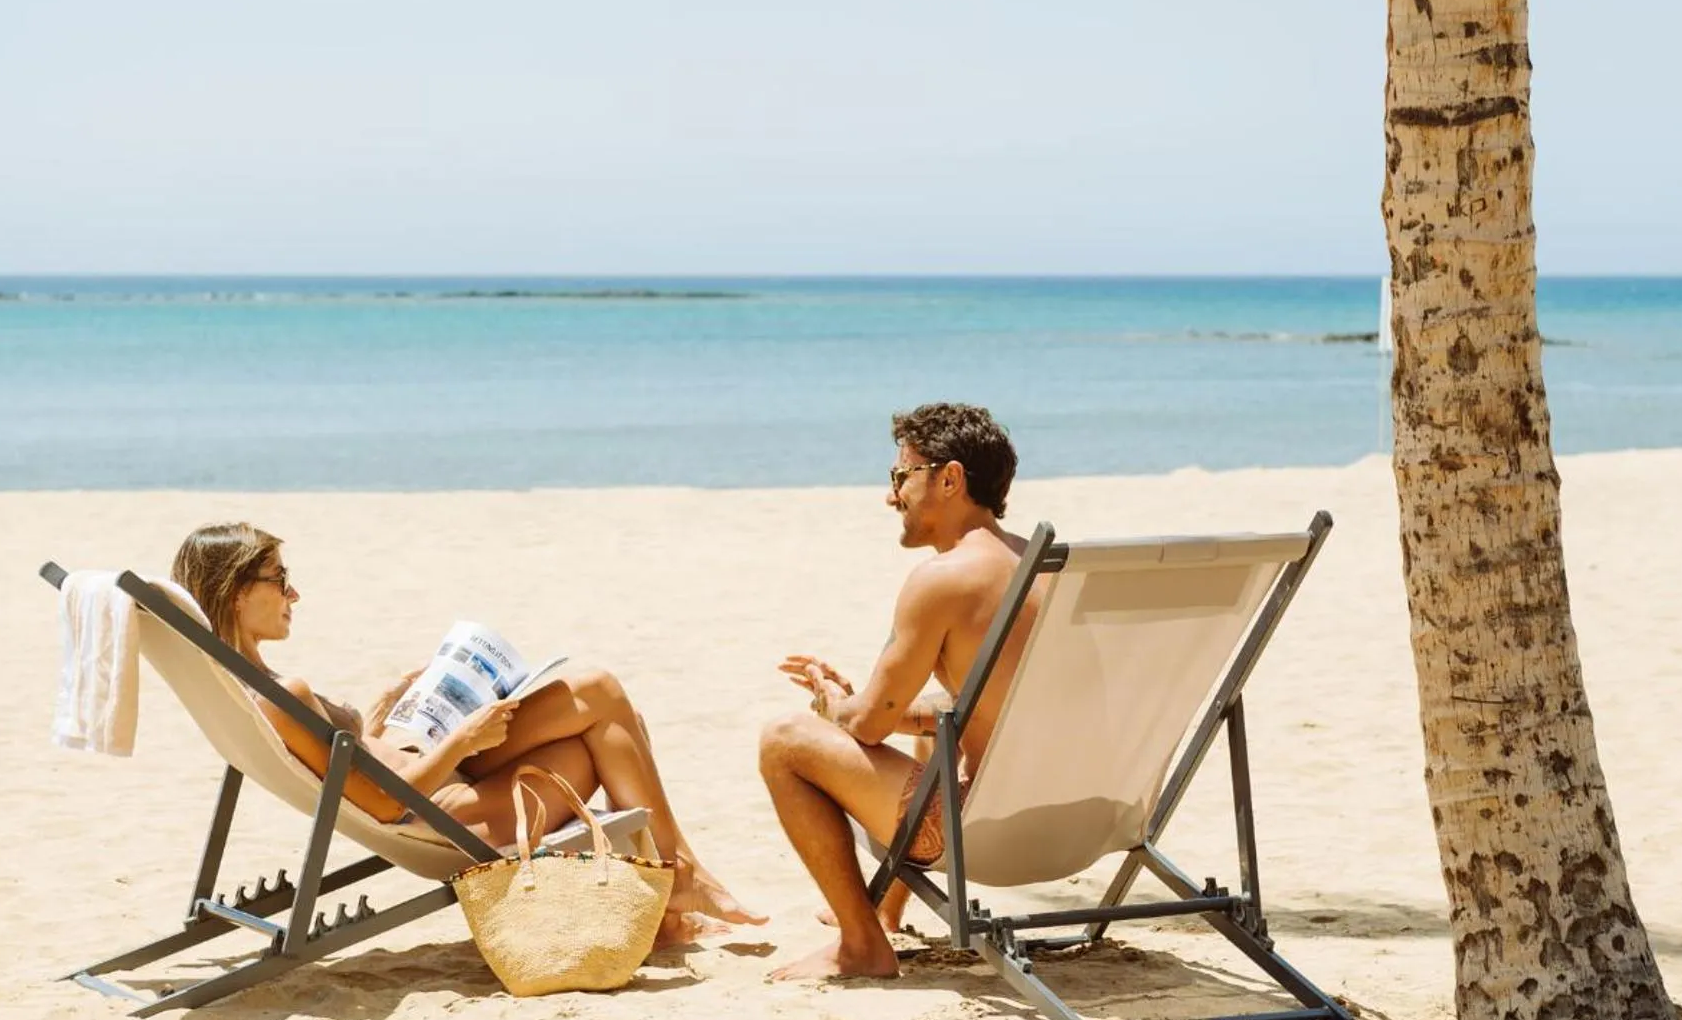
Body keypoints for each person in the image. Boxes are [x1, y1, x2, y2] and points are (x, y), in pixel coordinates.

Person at [170, 521, 764, 945]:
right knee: (603, 709)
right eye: (280, 579)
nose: (293, 592)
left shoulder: (244, 689)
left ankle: (671, 895)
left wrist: (379, 715)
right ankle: (678, 876)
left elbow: (350, 772)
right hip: (449, 815)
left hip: (433, 775)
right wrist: (465, 739)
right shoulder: (283, 696)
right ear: (238, 591)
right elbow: (378, 801)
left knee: (600, 705)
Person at [757, 403, 1045, 980]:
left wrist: (832, 705)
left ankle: (860, 942)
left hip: (990, 832)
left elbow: (865, 727)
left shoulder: (943, 580)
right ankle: (887, 910)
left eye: (899, 476)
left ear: (949, 478)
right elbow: (995, 705)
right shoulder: (1049, 569)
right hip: (1089, 820)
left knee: (784, 739)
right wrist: (871, 707)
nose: (892, 496)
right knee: (932, 725)